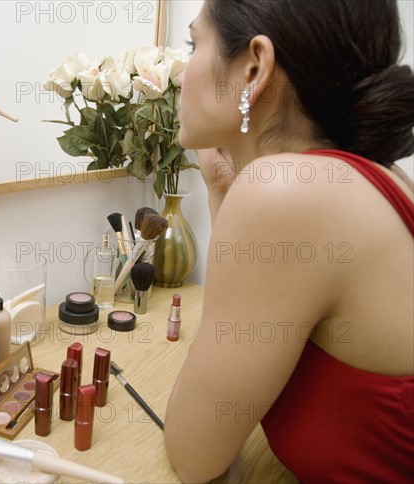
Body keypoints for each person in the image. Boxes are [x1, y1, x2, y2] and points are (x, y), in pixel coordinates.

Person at [164, 0, 414, 482]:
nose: (179, 75)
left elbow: (194, 456)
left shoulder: (285, 191)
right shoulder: (380, 177)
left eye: (193, 44)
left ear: (254, 67)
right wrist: (221, 189)